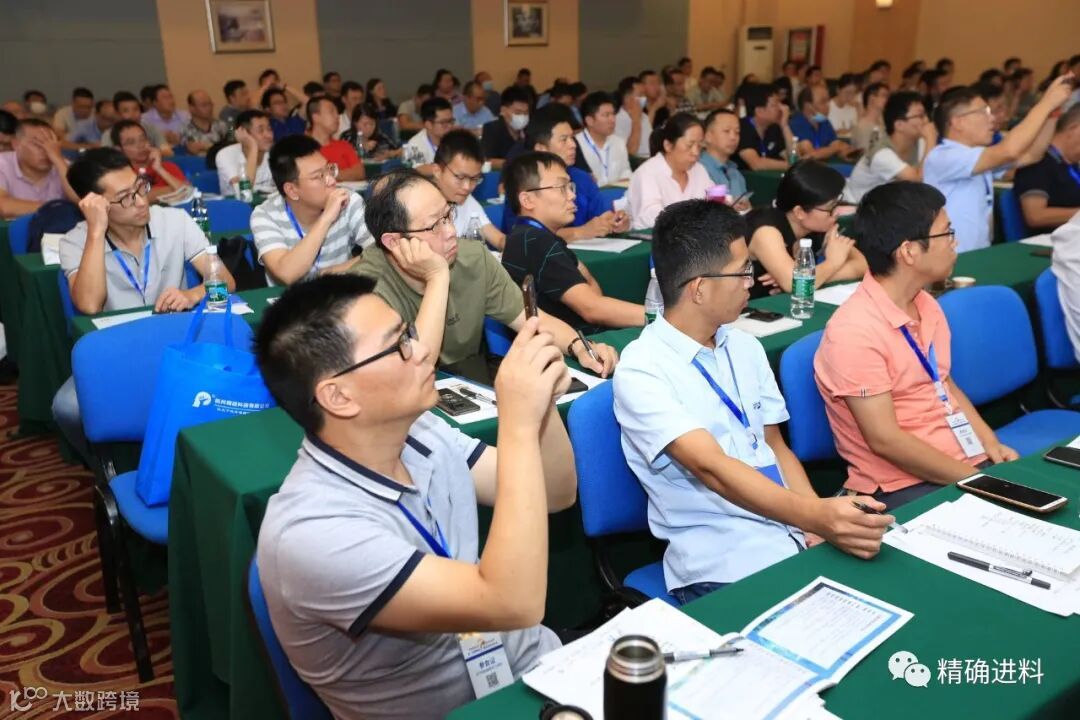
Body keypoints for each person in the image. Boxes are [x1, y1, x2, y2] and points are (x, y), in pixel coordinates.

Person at [254, 270, 576, 720]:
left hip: (535, 671)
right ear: (338, 397)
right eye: (399, 344)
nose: (423, 350)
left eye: (409, 333)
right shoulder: (310, 533)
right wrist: (518, 424)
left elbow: (556, 492)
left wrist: (543, 406)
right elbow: (513, 603)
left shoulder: (419, 432)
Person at [613, 198, 892, 604]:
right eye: (742, 271)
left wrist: (815, 523)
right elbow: (712, 468)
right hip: (722, 559)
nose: (751, 282)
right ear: (699, 288)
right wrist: (816, 515)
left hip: (791, 528)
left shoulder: (745, 346)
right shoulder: (642, 370)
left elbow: (773, 445)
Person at [815, 181, 1017, 509]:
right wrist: (978, 480)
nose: (955, 242)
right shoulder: (853, 332)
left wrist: (989, 443)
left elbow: (942, 381)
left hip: (959, 463)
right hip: (901, 484)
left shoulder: (925, 303)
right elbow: (886, 441)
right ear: (908, 251)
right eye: (946, 233)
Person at [53, 148, 236, 461]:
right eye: (125, 197)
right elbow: (89, 304)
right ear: (95, 204)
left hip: (178, 340)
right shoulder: (74, 241)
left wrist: (192, 294)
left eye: (140, 188)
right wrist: (96, 231)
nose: (140, 201)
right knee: (67, 407)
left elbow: (226, 281)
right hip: (118, 348)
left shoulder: (175, 221)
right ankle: (110, 465)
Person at [350, 169, 618, 377]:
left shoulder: (473, 257)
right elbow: (415, 369)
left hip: (465, 383)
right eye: (434, 226)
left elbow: (533, 319)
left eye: (448, 216)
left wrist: (579, 346)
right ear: (394, 242)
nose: (451, 231)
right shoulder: (363, 291)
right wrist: (437, 277)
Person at [924, 77, 1074, 253]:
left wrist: (1053, 113)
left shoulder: (977, 157)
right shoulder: (943, 156)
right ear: (958, 122)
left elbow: (1032, 155)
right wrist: (1046, 103)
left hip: (976, 253)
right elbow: (1009, 151)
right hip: (950, 256)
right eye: (984, 112)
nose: (992, 119)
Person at [501, 151, 645, 331]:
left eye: (570, 187)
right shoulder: (534, 241)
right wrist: (661, 318)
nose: (571, 195)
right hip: (566, 344)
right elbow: (592, 309)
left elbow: (593, 291)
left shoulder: (534, 235)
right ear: (527, 200)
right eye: (561, 187)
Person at [250, 135, 372, 286]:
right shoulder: (265, 215)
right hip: (289, 298)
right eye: (319, 176)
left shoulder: (348, 200)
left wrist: (331, 272)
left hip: (340, 293)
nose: (331, 180)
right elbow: (286, 274)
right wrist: (327, 218)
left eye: (329, 169)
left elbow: (383, 253)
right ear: (292, 190)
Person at [501, 105, 628, 241]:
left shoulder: (581, 178)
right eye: (564, 139)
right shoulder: (524, 181)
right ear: (541, 148)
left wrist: (613, 223)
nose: (573, 145)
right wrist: (581, 232)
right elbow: (522, 235)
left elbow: (600, 217)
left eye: (572, 138)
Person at [745, 161, 865, 297]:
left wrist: (809, 276)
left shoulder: (817, 225)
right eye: (831, 207)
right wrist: (832, 263)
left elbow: (862, 265)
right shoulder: (766, 231)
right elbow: (796, 284)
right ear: (800, 212)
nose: (836, 213)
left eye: (837, 204)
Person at [844, 91, 937, 203]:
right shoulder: (882, 154)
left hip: (888, 202)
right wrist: (931, 139)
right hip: (856, 206)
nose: (926, 121)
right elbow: (917, 180)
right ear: (899, 125)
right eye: (920, 116)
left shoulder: (921, 142)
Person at [628, 113, 712, 230]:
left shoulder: (699, 169)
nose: (696, 152)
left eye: (699, 146)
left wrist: (728, 204)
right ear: (668, 145)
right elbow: (650, 216)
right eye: (689, 145)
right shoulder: (647, 173)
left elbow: (713, 199)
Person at [431, 130, 504, 250]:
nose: (467, 187)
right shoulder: (419, 206)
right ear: (437, 171)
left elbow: (498, 239)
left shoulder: (466, 200)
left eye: (474, 179)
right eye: (460, 177)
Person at [1014, 104, 1080, 231]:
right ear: (1074, 129)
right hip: (1053, 239)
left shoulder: (1071, 164)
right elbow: (1035, 216)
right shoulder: (1038, 163)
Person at [0, 118, 77, 219]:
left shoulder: (64, 166)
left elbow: (82, 202)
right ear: (16, 144)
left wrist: (58, 161)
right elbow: (4, 207)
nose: (47, 151)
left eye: (51, 145)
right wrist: (59, 208)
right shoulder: (2, 164)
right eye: (38, 145)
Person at [110, 120, 189, 202]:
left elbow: (188, 192)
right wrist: (174, 189)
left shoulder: (168, 167)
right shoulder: (120, 175)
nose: (140, 145)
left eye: (143, 139)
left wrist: (159, 169)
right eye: (131, 142)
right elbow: (136, 199)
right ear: (119, 149)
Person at [216, 109, 276, 198]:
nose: (268, 135)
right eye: (260, 131)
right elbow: (244, 191)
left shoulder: (273, 153)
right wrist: (253, 147)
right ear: (243, 134)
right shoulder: (225, 155)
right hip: (237, 205)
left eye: (269, 129)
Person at [576, 92, 631, 186]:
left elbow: (626, 173)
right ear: (589, 120)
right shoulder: (576, 145)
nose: (612, 120)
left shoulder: (619, 142)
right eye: (606, 115)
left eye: (613, 114)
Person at [790, 86, 857, 162]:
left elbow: (836, 144)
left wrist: (846, 151)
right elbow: (811, 155)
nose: (828, 105)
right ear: (808, 106)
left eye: (828, 101)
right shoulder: (796, 124)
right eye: (823, 102)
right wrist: (835, 149)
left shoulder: (824, 121)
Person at [734, 83, 792, 171]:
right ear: (759, 111)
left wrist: (785, 125)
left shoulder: (774, 128)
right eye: (774, 105)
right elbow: (756, 164)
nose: (781, 108)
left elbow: (793, 157)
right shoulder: (742, 128)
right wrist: (790, 165)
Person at [307, 96, 365, 182]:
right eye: (331, 112)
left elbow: (360, 173)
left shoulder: (344, 145)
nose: (337, 116)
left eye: (337, 112)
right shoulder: (302, 148)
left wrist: (332, 173)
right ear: (316, 117)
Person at [699, 109, 748, 207]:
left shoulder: (736, 173)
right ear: (707, 136)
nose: (733, 137)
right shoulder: (698, 168)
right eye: (726, 131)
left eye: (737, 132)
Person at [481, 86, 530, 169]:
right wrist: (515, 164)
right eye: (518, 113)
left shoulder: (529, 130)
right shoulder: (491, 128)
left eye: (526, 113)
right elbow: (487, 161)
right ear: (503, 110)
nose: (523, 116)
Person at [103, 92, 169, 153]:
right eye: (126, 111)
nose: (133, 114)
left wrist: (155, 154)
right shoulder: (108, 135)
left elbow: (166, 150)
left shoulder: (150, 128)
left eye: (136, 109)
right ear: (117, 114)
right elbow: (108, 159)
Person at [403, 97, 454, 169]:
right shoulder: (414, 144)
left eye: (451, 121)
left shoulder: (456, 138)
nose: (450, 126)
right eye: (443, 122)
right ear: (428, 125)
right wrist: (451, 168)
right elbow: (420, 168)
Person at [181, 90, 230, 155]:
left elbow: (230, 147)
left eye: (210, 104)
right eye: (204, 105)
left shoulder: (222, 125)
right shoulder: (184, 129)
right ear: (192, 108)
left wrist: (206, 147)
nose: (209, 108)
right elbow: (189, 150)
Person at [614, 76, 651, 159]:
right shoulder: (617, 120)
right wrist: (636, 120)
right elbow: (630, 153)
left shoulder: (644, 116)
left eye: (645, 94)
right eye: (640, 94)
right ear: (627, 98)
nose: (644, 98)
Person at [851, 82, 889, 153]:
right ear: (871, 98)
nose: (887, 100)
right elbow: (867, 154)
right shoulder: (864, 125)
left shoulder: (882, 123)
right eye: (884, 96)